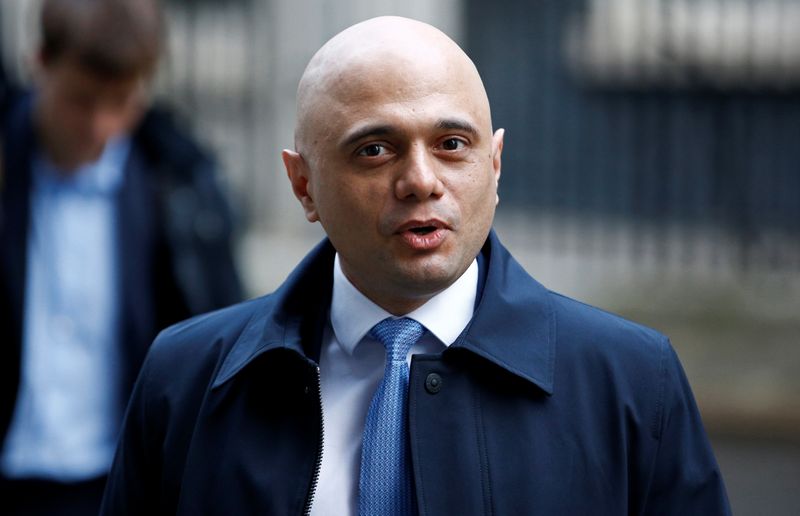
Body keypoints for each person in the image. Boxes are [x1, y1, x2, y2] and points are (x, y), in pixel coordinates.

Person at [101, 16, 730, 516]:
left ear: (495, 164)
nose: (421, 181)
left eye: (452, 144)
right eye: (375, 150)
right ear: (303, 185)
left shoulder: (632, 384)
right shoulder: (183, 379)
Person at [0, 0, 242, 514]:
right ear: (39, 62)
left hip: (123, 486)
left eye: (120, 102)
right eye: (80, 100)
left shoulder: (181, 188)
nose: (99, 126)